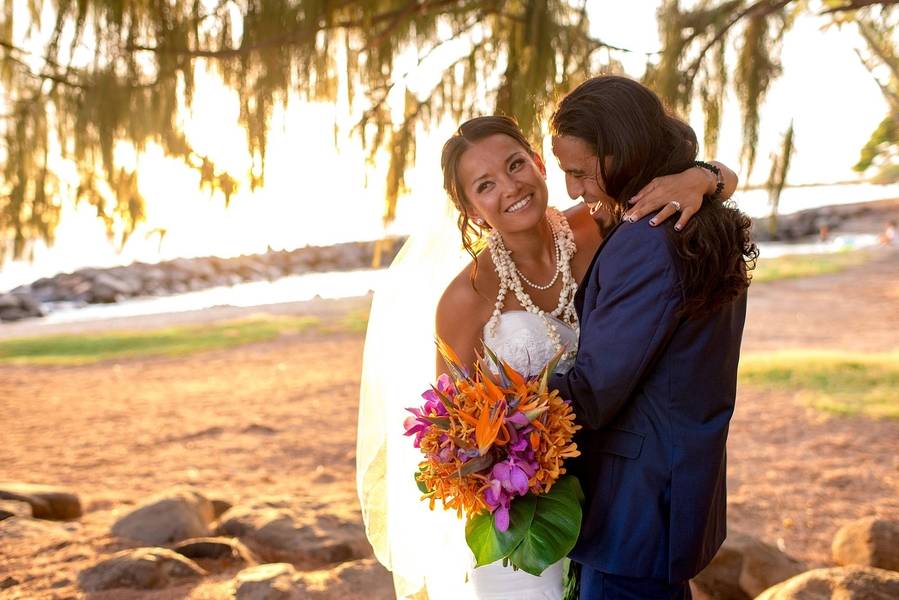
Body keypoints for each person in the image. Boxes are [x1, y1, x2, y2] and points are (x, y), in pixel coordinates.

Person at [356, 108, 739, 599]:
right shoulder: (463, 299)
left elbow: (716, 190)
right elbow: (448, 432)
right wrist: (510, 459)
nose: (510, 187)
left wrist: (702, 177)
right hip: (527, 517)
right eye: (485, 185)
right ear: (472, 209)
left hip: (618, 494)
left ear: (539, 162)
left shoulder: (603, 225)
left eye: (515, 165)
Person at [548, 75, 756, 599]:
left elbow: (593, 394)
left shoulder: (645, 238)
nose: (572, 188)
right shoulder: (703, 213)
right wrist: (708, 175)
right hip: (672, 487)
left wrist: (510, 404)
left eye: (580, 172)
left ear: (623, 152)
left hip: (633, 505)